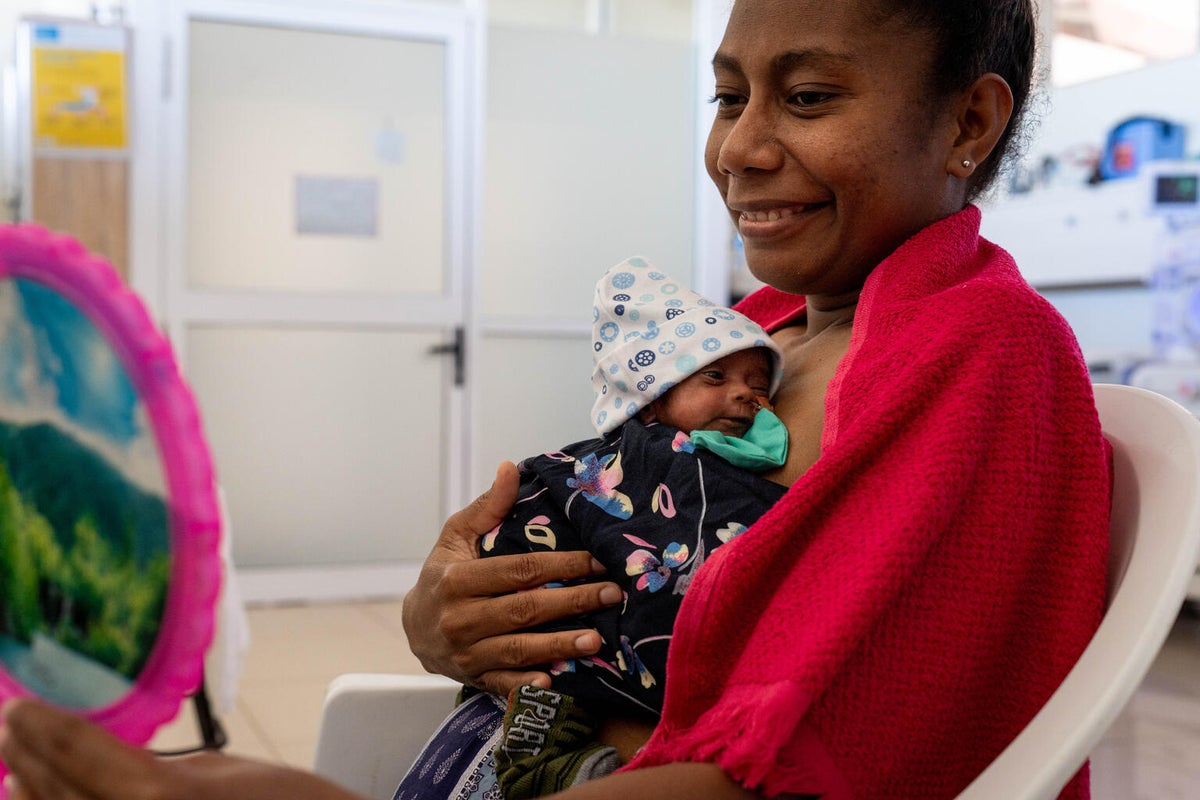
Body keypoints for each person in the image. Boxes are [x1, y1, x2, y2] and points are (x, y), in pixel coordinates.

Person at [0, 1, 1112, 799]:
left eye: (808, 97)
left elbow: (821, 750)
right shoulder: (755, 341)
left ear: (968, 122)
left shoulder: (979, 351)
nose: (740, 146)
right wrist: (446, 620)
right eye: (728, 95)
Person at [404, 258, 791, 800]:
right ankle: (545, 771)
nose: (748, 394)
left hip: (643, 669)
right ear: (654, 397)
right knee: (542, 710)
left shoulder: (724, 459)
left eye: (759, 383)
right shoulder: (634, 456)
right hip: (560, 640)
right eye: (715, 377)